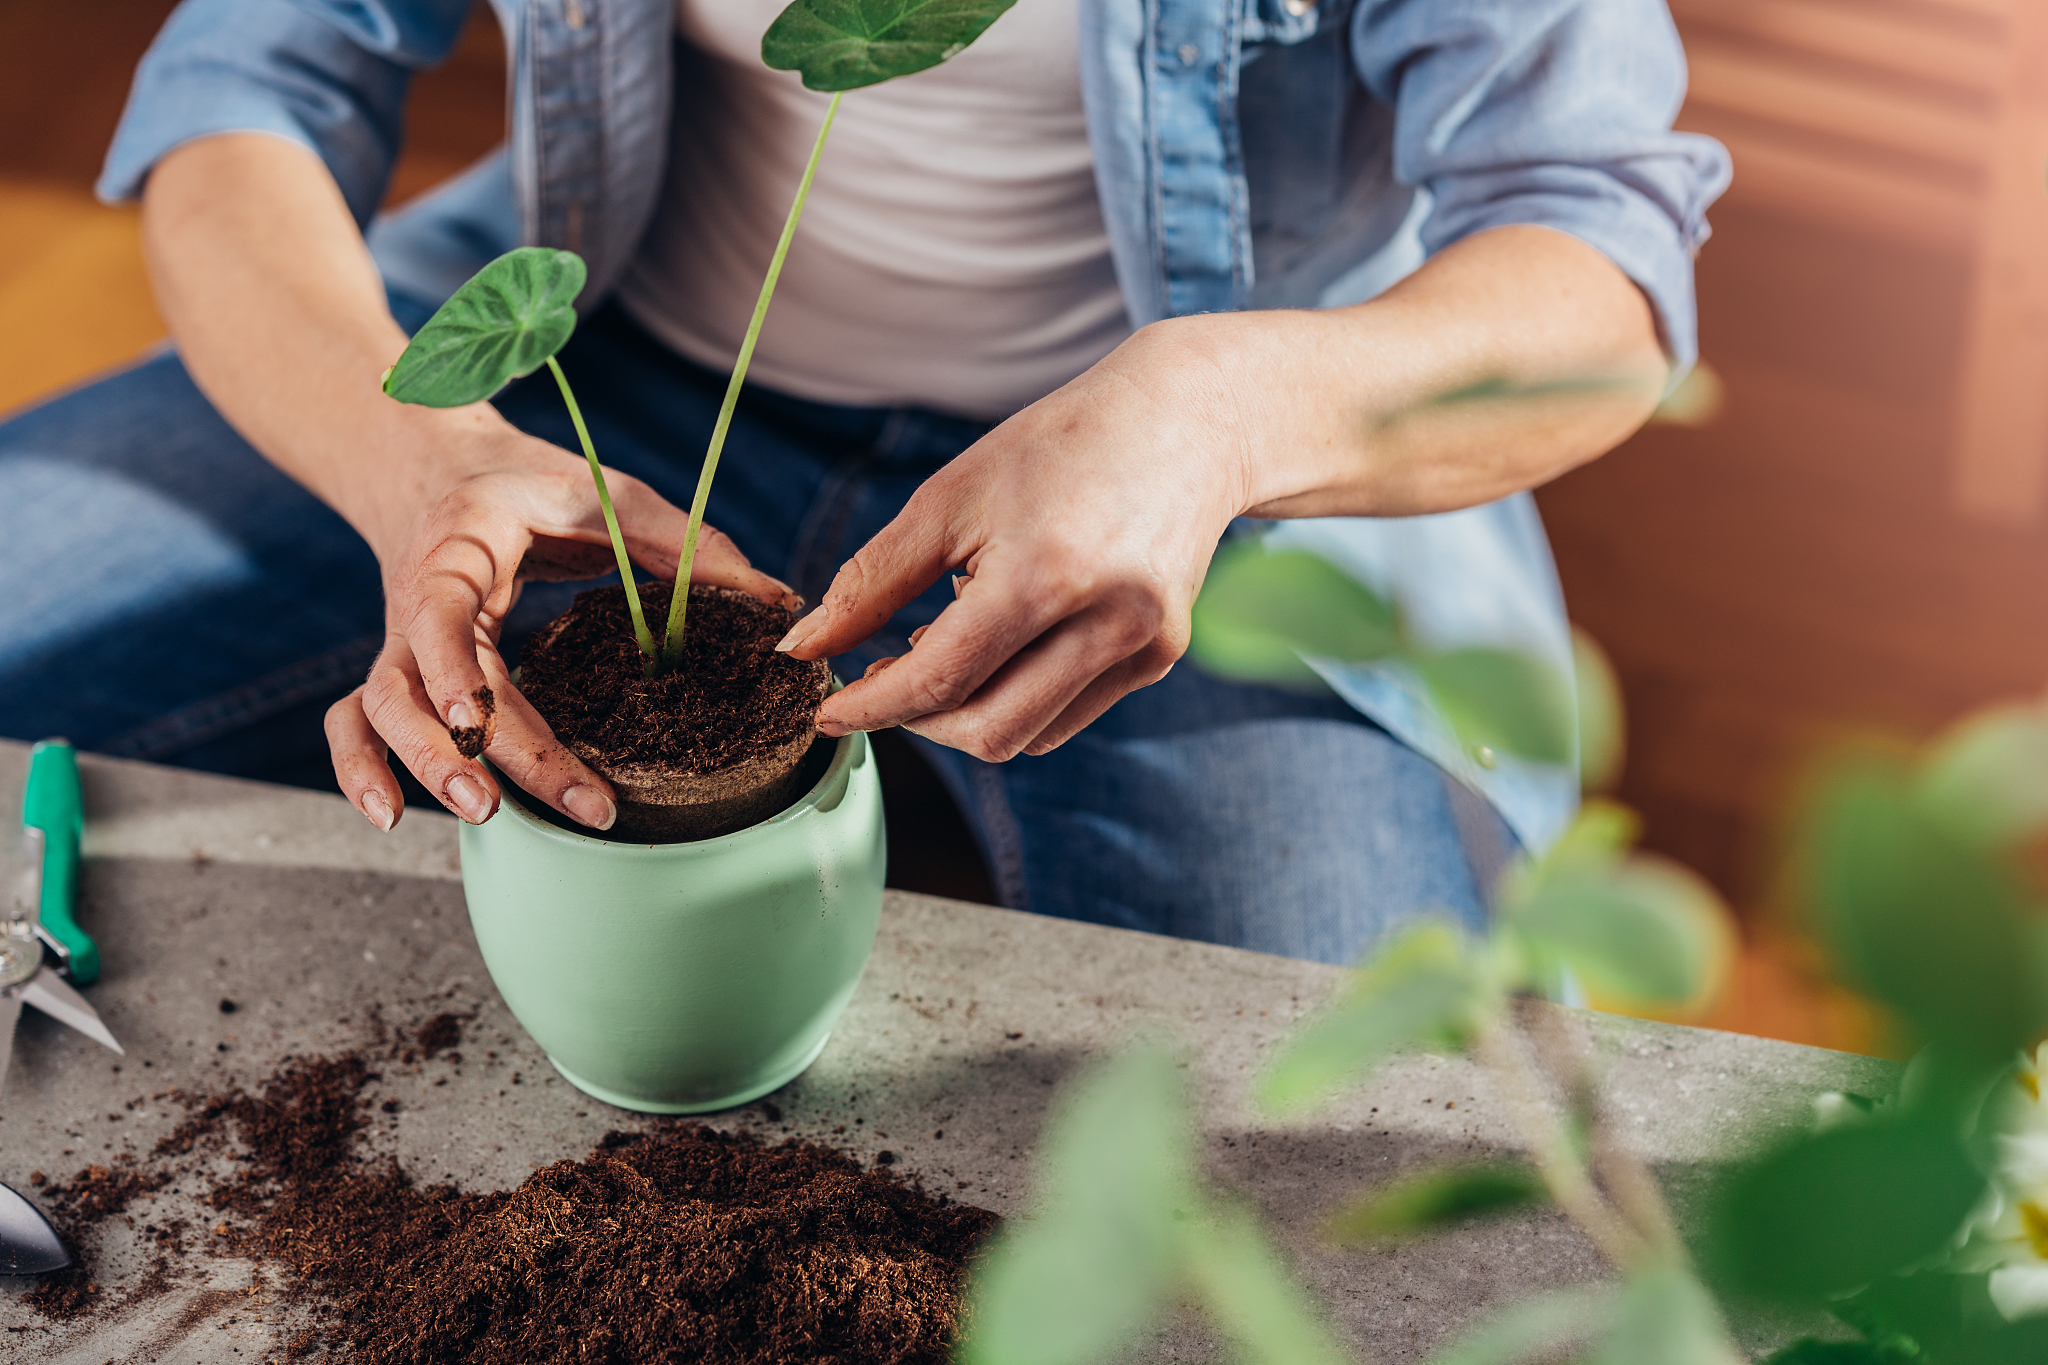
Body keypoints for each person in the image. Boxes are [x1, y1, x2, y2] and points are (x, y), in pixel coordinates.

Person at [0, 0, 1725, 965]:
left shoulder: (1215, 432)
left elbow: (1598, 279)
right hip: (593, 381)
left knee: (1327, 1145)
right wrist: (415, 457)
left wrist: (1214, 412)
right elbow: (244, 90)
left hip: (1201, 478)